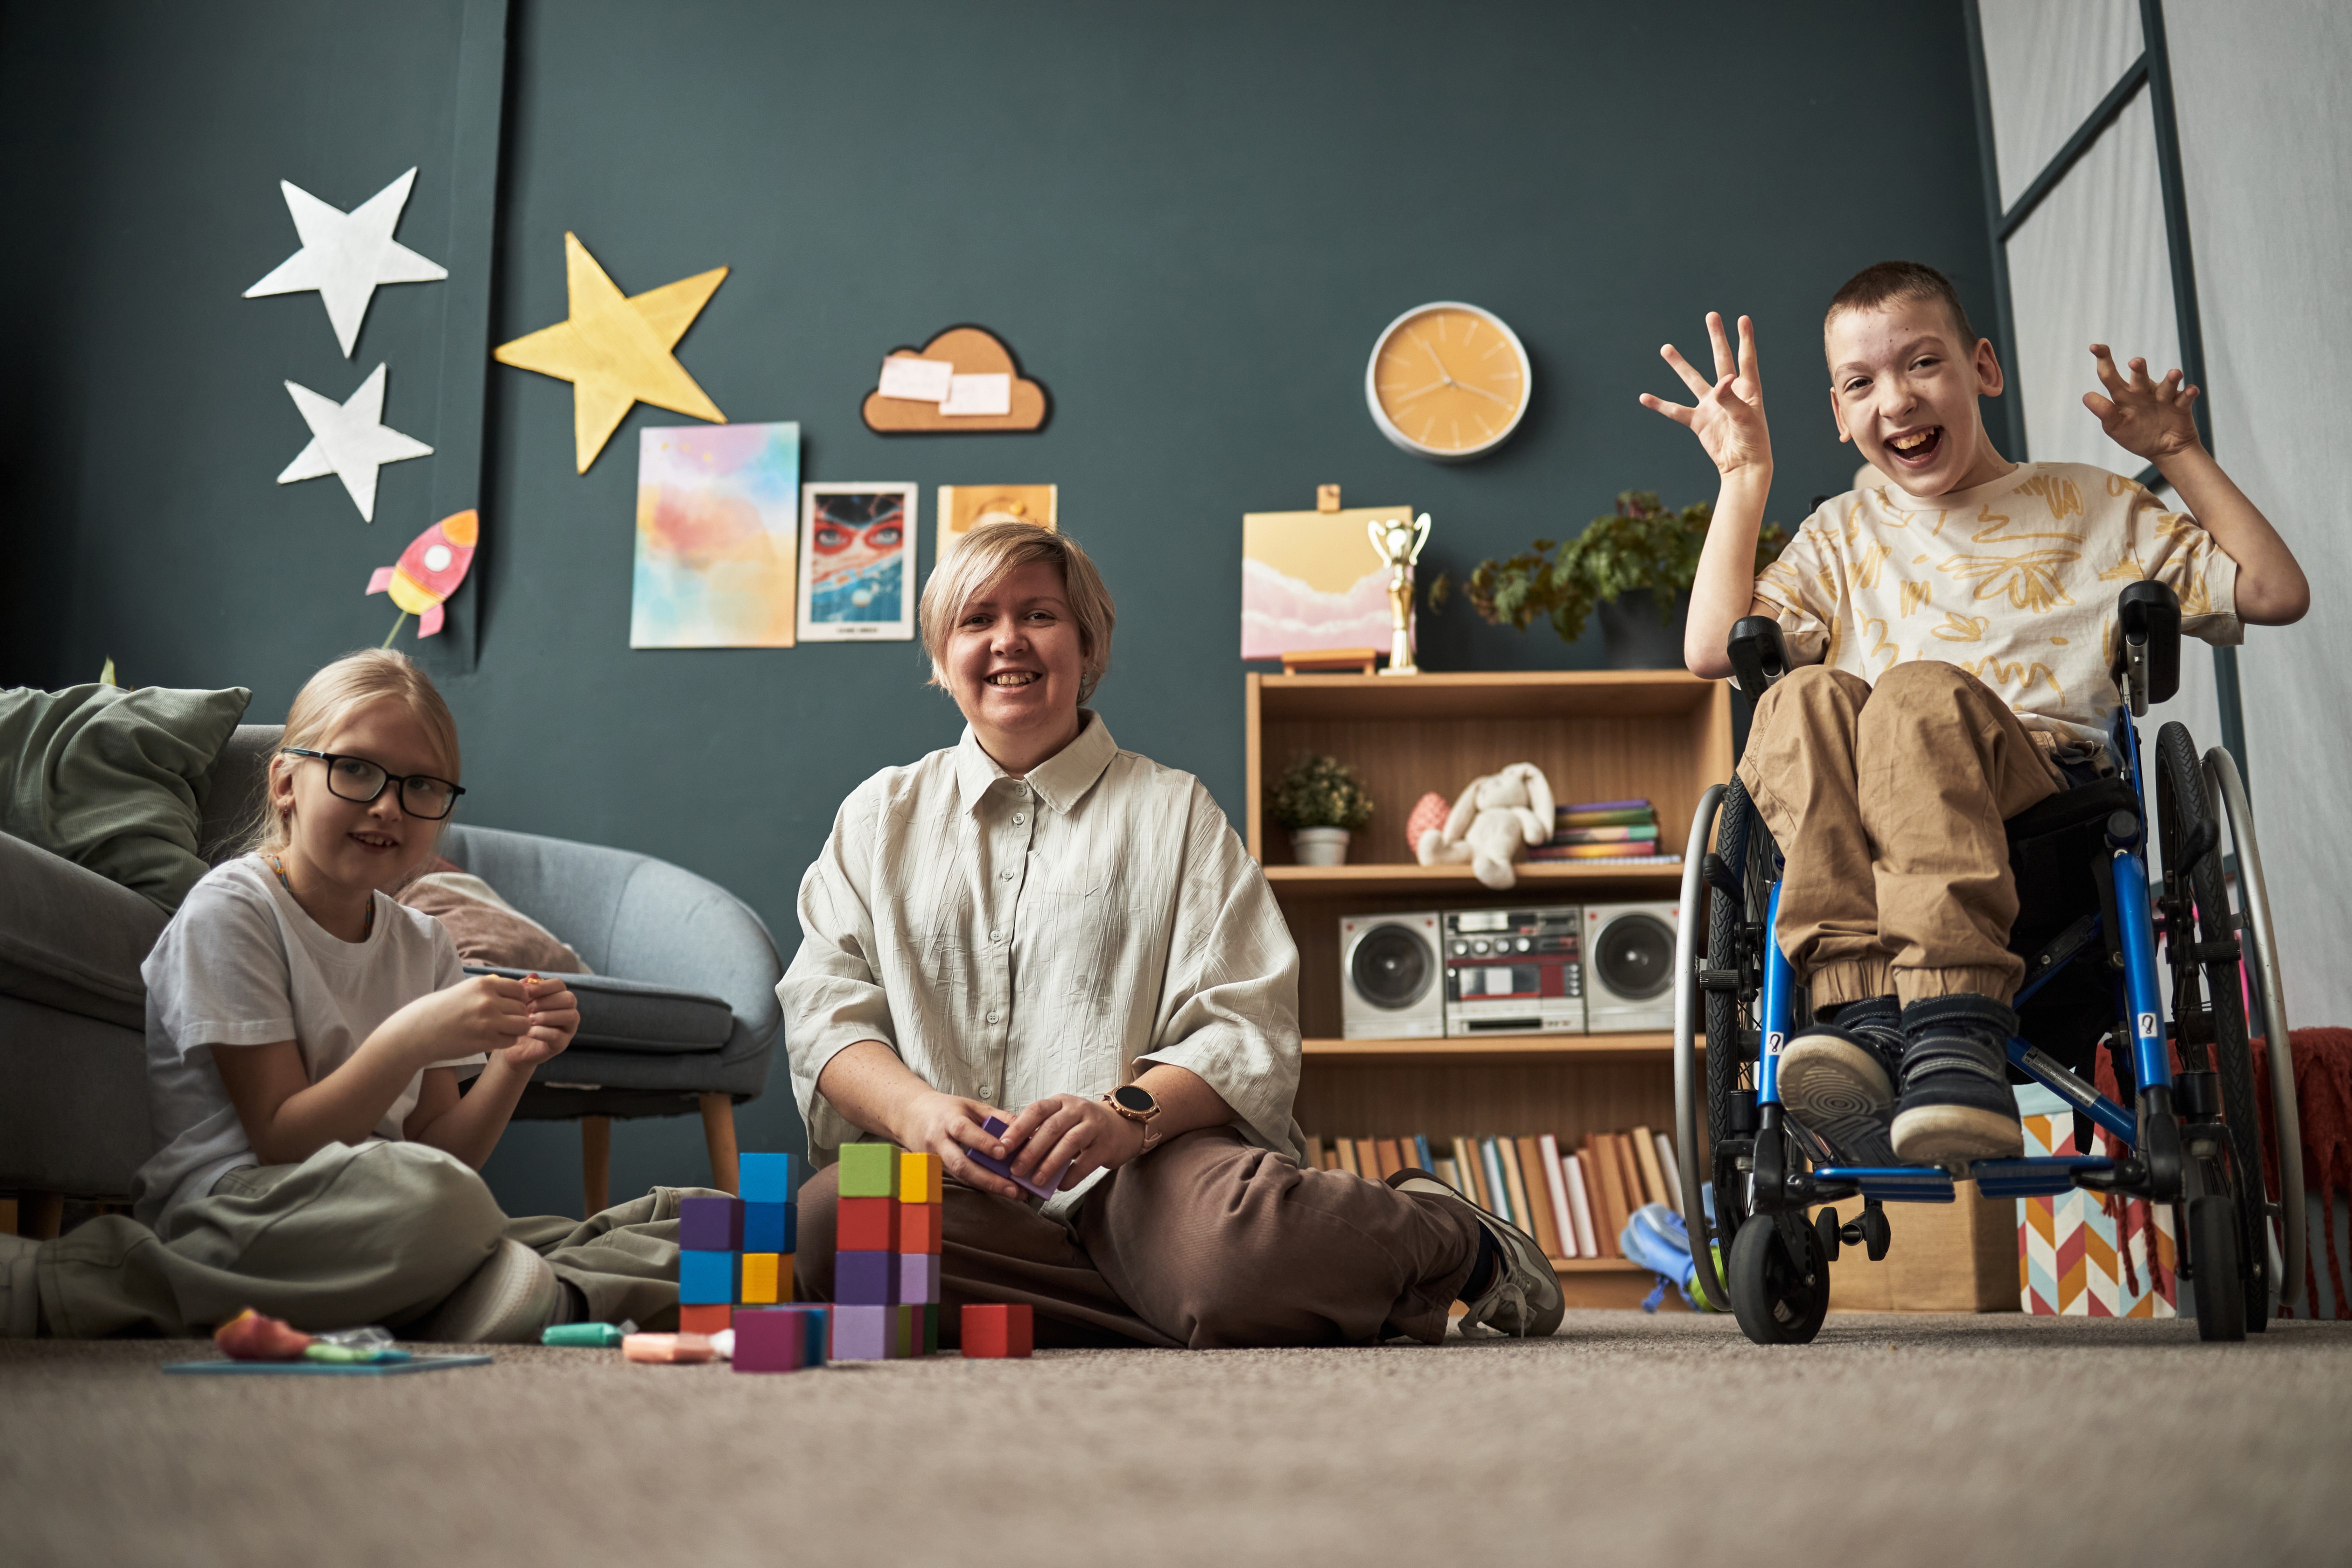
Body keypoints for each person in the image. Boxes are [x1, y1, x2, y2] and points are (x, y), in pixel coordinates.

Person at [779, 522, 1562, 1346]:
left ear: (1087, 644)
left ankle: (1452, 1237)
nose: (1008, 640)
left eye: (1038, 614)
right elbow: (826, 1009)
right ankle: (1191, 1300)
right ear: (944, 657)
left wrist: (1123, 1117)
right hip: (956, 1186)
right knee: (833, 1227)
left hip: (1149, 1167)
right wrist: (916, 1114)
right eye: (977, 621)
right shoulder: (877, 817)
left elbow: (1245, 1024)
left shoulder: (1175, 811)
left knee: (1230, 1253)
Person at [1641, 260, 2308, 1164]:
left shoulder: (2097, 505)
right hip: (1866, 855)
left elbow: (2273, 591)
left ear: (1982, 368)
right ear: (1838, 417)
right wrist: (1743, 473)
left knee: (1915, 692)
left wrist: (2177, 454)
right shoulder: (1840, 532)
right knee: (1799, 697)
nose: (1897, 401)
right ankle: (1865, 1015)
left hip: (2042, 821)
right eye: (1860, 383)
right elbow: (1714, 650)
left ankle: (1954, 1025)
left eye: (1922, 364)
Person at [0, 650, 707, 1341]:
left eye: (422, 787)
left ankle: (512, 1293)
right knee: (442, 1206)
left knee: (701, 1221)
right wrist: (413, 1038)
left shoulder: (424, 944)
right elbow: (282, 1140)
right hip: (244, 1209)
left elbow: (443, 1151)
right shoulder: (233, 910)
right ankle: (80, 1280)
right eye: (356, 770)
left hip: (383, 1207)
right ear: (285, 782)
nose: (388, 807)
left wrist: (513, 1065)